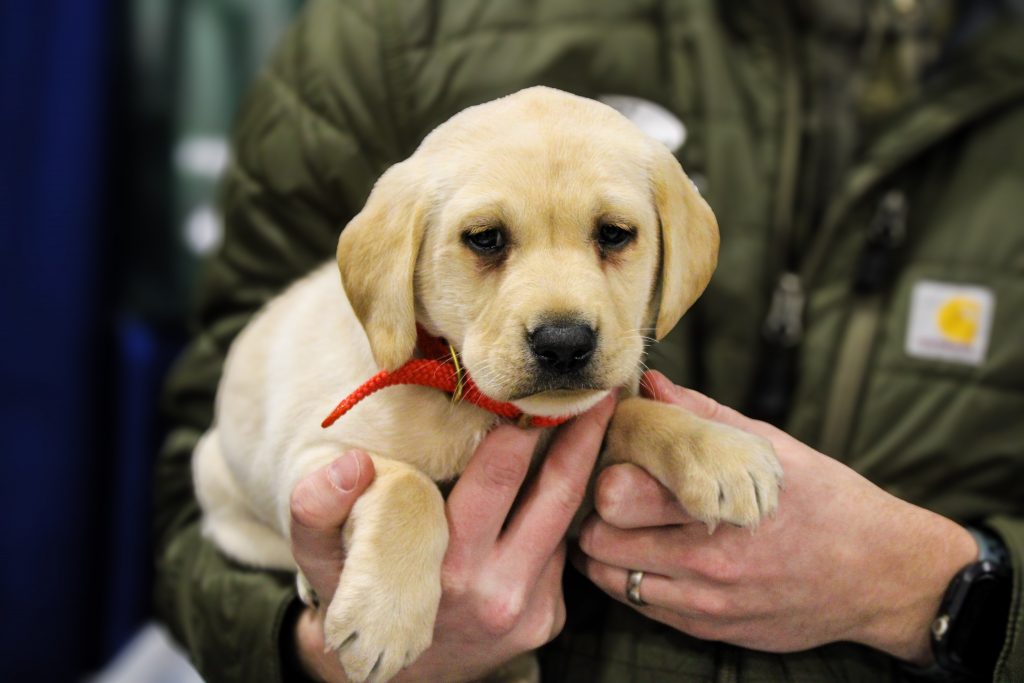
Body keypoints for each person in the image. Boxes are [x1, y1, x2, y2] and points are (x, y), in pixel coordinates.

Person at [153, 1, 1024, 681]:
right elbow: (198, 478)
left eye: (613, 236)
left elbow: (600, 421)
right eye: (487, 241)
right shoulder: (390, 34)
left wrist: (938, 589)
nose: (566, 320)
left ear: (672, 250)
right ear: (397, 268)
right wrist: (311, 653)